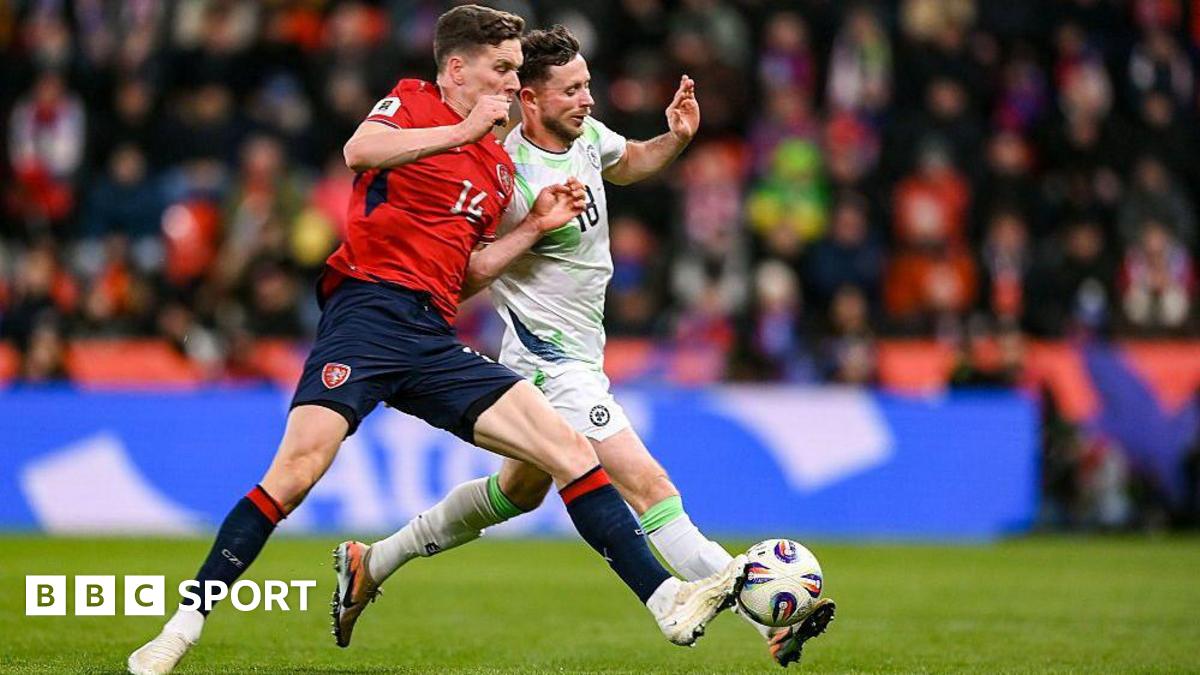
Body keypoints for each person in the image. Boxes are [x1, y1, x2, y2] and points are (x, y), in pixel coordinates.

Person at [127, 7, 744, 675]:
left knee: (566, 450)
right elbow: (358, 152)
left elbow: (468, 273)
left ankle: (665, 602)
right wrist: (460, 130)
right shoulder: (416, 103)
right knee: (296, 473)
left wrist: (534, 226)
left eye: (516, 71)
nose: (511, 83)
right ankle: (181, 628)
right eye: (502, 69)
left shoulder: (497, 169)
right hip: (364, 317)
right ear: (456, 69)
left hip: (429, 334)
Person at [335, 25, 834, 668]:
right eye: (573, 90)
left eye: (589, 85)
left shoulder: (588, 139)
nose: (589, 99)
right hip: (549, 363)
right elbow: (459, 276)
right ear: (531, 100)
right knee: (649, 486)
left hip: (576, 353)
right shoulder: (504, 174)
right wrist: (536, 226)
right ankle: (760, 604)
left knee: (517, 493)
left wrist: (676, 139)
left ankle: (372, 561)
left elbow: (631, 163)